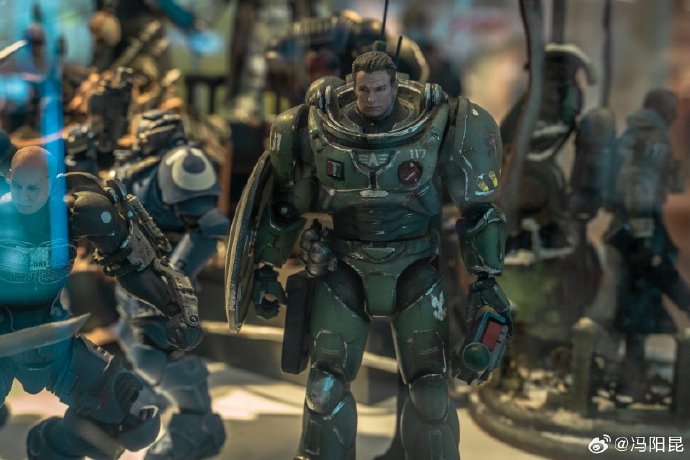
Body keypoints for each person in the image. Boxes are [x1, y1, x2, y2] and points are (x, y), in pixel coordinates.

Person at [226, 50, 512, 459]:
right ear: (352, 86)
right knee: (324, 387)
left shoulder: (442, 123)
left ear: (395, 86)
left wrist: (485, 282)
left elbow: (479, 212)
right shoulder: (316, 126)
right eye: (363, 89)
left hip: (415, 265)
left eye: (379, 89)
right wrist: (266, 269)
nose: (371, 98)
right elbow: (286, 205)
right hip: (344, 263)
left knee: (431, 392)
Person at [0, 145, 203, 459]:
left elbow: (134, 265)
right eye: (18, 186)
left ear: (51, 183)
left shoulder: (76, 214)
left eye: (33, 188)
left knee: (130, 419)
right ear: (9, 178)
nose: (24, 196)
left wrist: (175, 309)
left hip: (52, 341)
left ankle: (50, 446)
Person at [112, 109, 229, 460]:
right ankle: (152, 399)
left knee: (155, 352)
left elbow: (209, 226)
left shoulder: (182, 160)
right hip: (131, 272)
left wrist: (172, 278)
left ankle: (198, 424)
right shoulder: (135, 163)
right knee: (129, 338)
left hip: (160, 275)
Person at [605, 89, 690, 401]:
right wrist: (643, 231)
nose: (675, 115)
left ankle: (625, 374)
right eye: (672, 109)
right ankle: (628, 381)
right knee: (638, 304)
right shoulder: (652, 138)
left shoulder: (632, 134)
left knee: (632, 301)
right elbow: (638, 184)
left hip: (628, 228)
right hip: (640, 229)